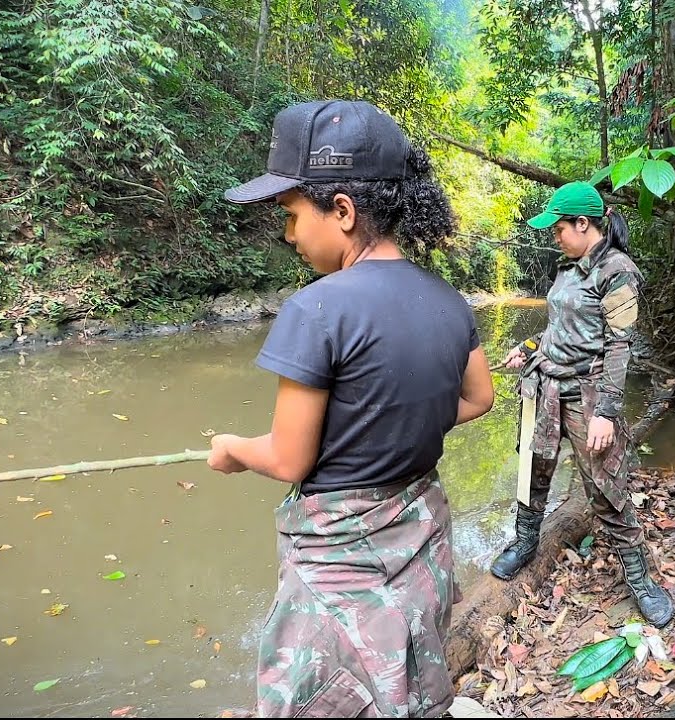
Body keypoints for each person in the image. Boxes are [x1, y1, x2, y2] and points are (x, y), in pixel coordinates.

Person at [207, 100, 496, 718]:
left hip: (338, 563)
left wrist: (230, 448)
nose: (289, 235)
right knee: (405, 685)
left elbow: (288, 458)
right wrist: (399, 420)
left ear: (342, 210)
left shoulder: (317, 310)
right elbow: (478, 398)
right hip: (420, 538)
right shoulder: (449, 299)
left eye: (291, 215)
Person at [490, 181, 675, 628]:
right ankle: (525, 541)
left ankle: (640, 578)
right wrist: (530, 346)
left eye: (558, 228)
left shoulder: (617, 271)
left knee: (605, 487)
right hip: (544, 387)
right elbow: (559, 327)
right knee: (532, 469)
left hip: (587, 394)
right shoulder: (567, 269)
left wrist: (607, 411)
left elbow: (619, 346)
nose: (555, 236)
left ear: (583, 223)